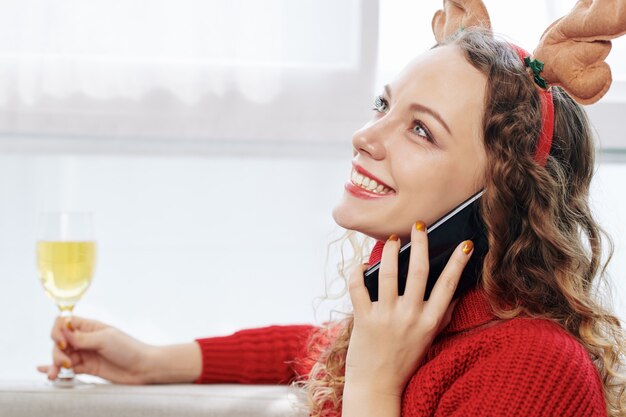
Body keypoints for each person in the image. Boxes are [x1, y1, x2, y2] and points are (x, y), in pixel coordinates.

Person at [37, 6, 626, 417]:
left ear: (498, 196)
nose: (366, 135)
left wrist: (373, 385)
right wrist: (148, 362)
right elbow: (320, 349)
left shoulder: (534, 370)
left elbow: (361, 362)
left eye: (420, 130)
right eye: (384, 105)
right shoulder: (416, 321)